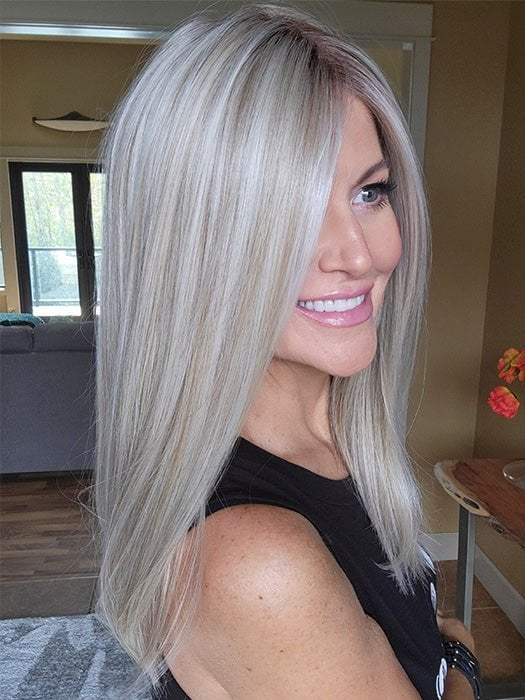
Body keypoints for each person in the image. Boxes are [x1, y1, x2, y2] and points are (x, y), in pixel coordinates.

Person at [94, 4, 481, 699]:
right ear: (184, 250)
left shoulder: (335, 438)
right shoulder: (255, 560)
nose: (358, 255)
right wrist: (464, 662)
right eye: (286, 214)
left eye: (369, 192)